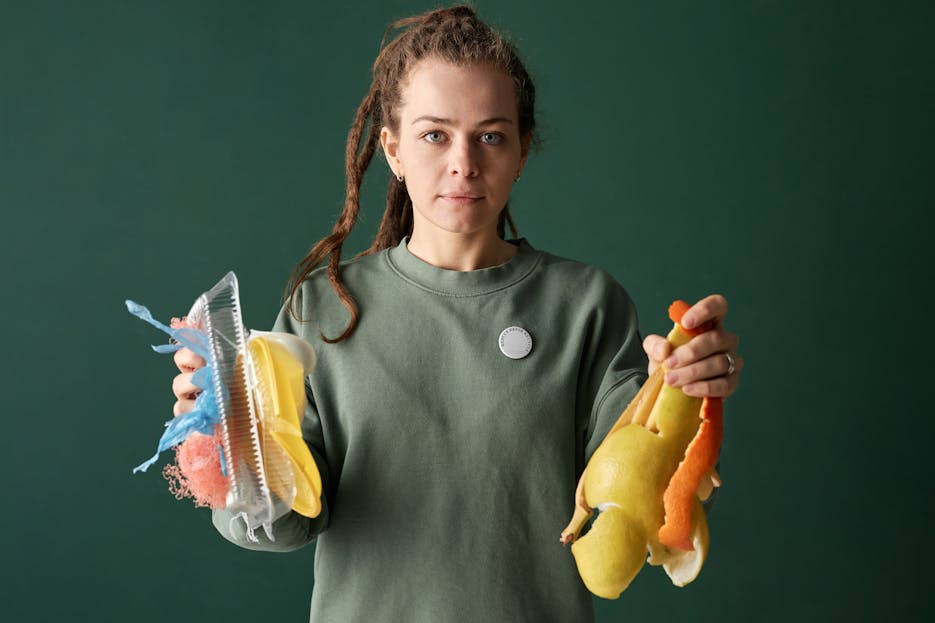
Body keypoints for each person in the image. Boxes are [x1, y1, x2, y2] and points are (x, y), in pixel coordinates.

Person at [170, 6, 743, 622]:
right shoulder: (323, 310)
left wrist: (685, 389)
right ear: (392, 149)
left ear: (522, 151)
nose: (464, 162)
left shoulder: (587, 306)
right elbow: (279, 525)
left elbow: (638, 495)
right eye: (434, 134)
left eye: (491, 135)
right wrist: (225, 439)